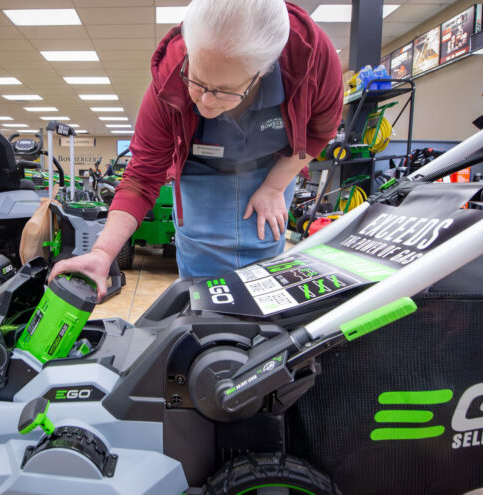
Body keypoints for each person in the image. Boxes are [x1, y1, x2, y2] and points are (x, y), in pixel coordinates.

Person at [49, 0, 343, 297]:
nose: (206, 101)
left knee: (264, 282)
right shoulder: (169, 81)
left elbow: (321, 131)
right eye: (198, 82)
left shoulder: (313, 61)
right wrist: (102, 253)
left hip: (275, 167)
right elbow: (142, 178)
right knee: (202, 288)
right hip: (197, 173)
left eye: (224, 90)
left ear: (262, 71)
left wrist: (274, 187)